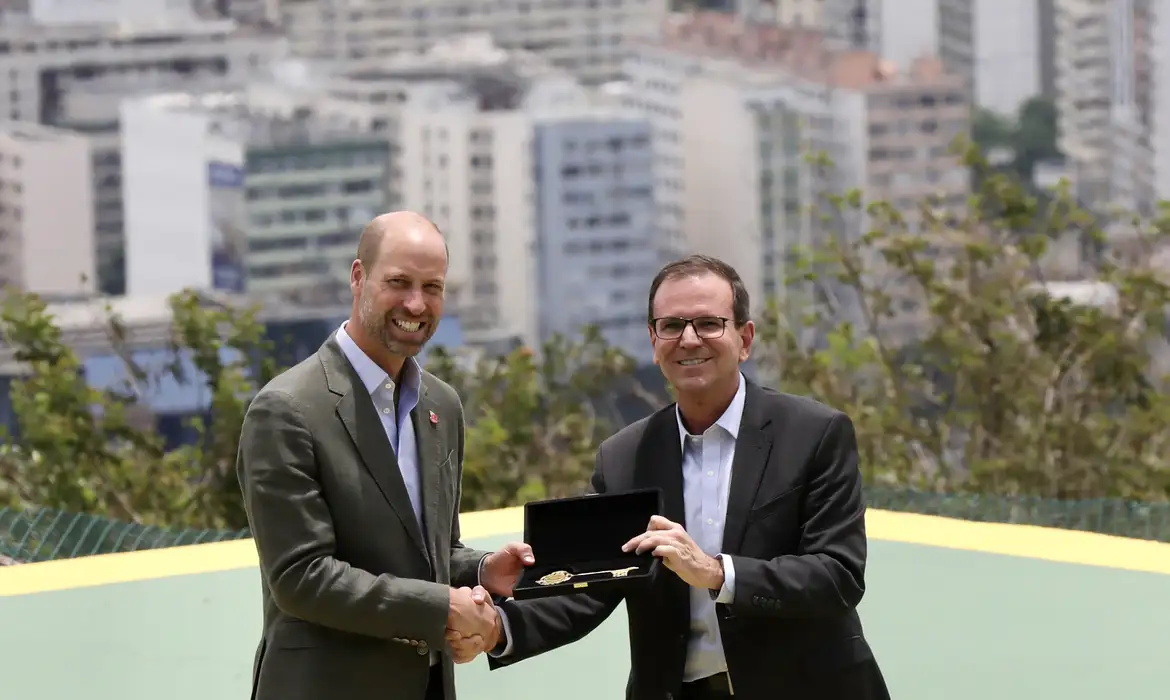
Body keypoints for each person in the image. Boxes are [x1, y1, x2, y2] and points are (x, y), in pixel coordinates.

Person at [456, 254, 890, 700]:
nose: (688, 339)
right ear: (653, 339)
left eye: (708, 323)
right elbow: (588, 588)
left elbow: (837, 574)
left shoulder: (814, 433)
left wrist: (716, 572)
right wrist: (497, 627)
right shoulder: (625, 457)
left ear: (745, 338)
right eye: (671, 326)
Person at [237, 211, 528, 700]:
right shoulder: (285, 410)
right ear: (358, 277)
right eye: (398, 282)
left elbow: (429, 553)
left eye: (432, 287)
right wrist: (441, 608)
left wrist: (481, 571)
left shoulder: (442, 406)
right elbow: (300, 576)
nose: (416, 303)